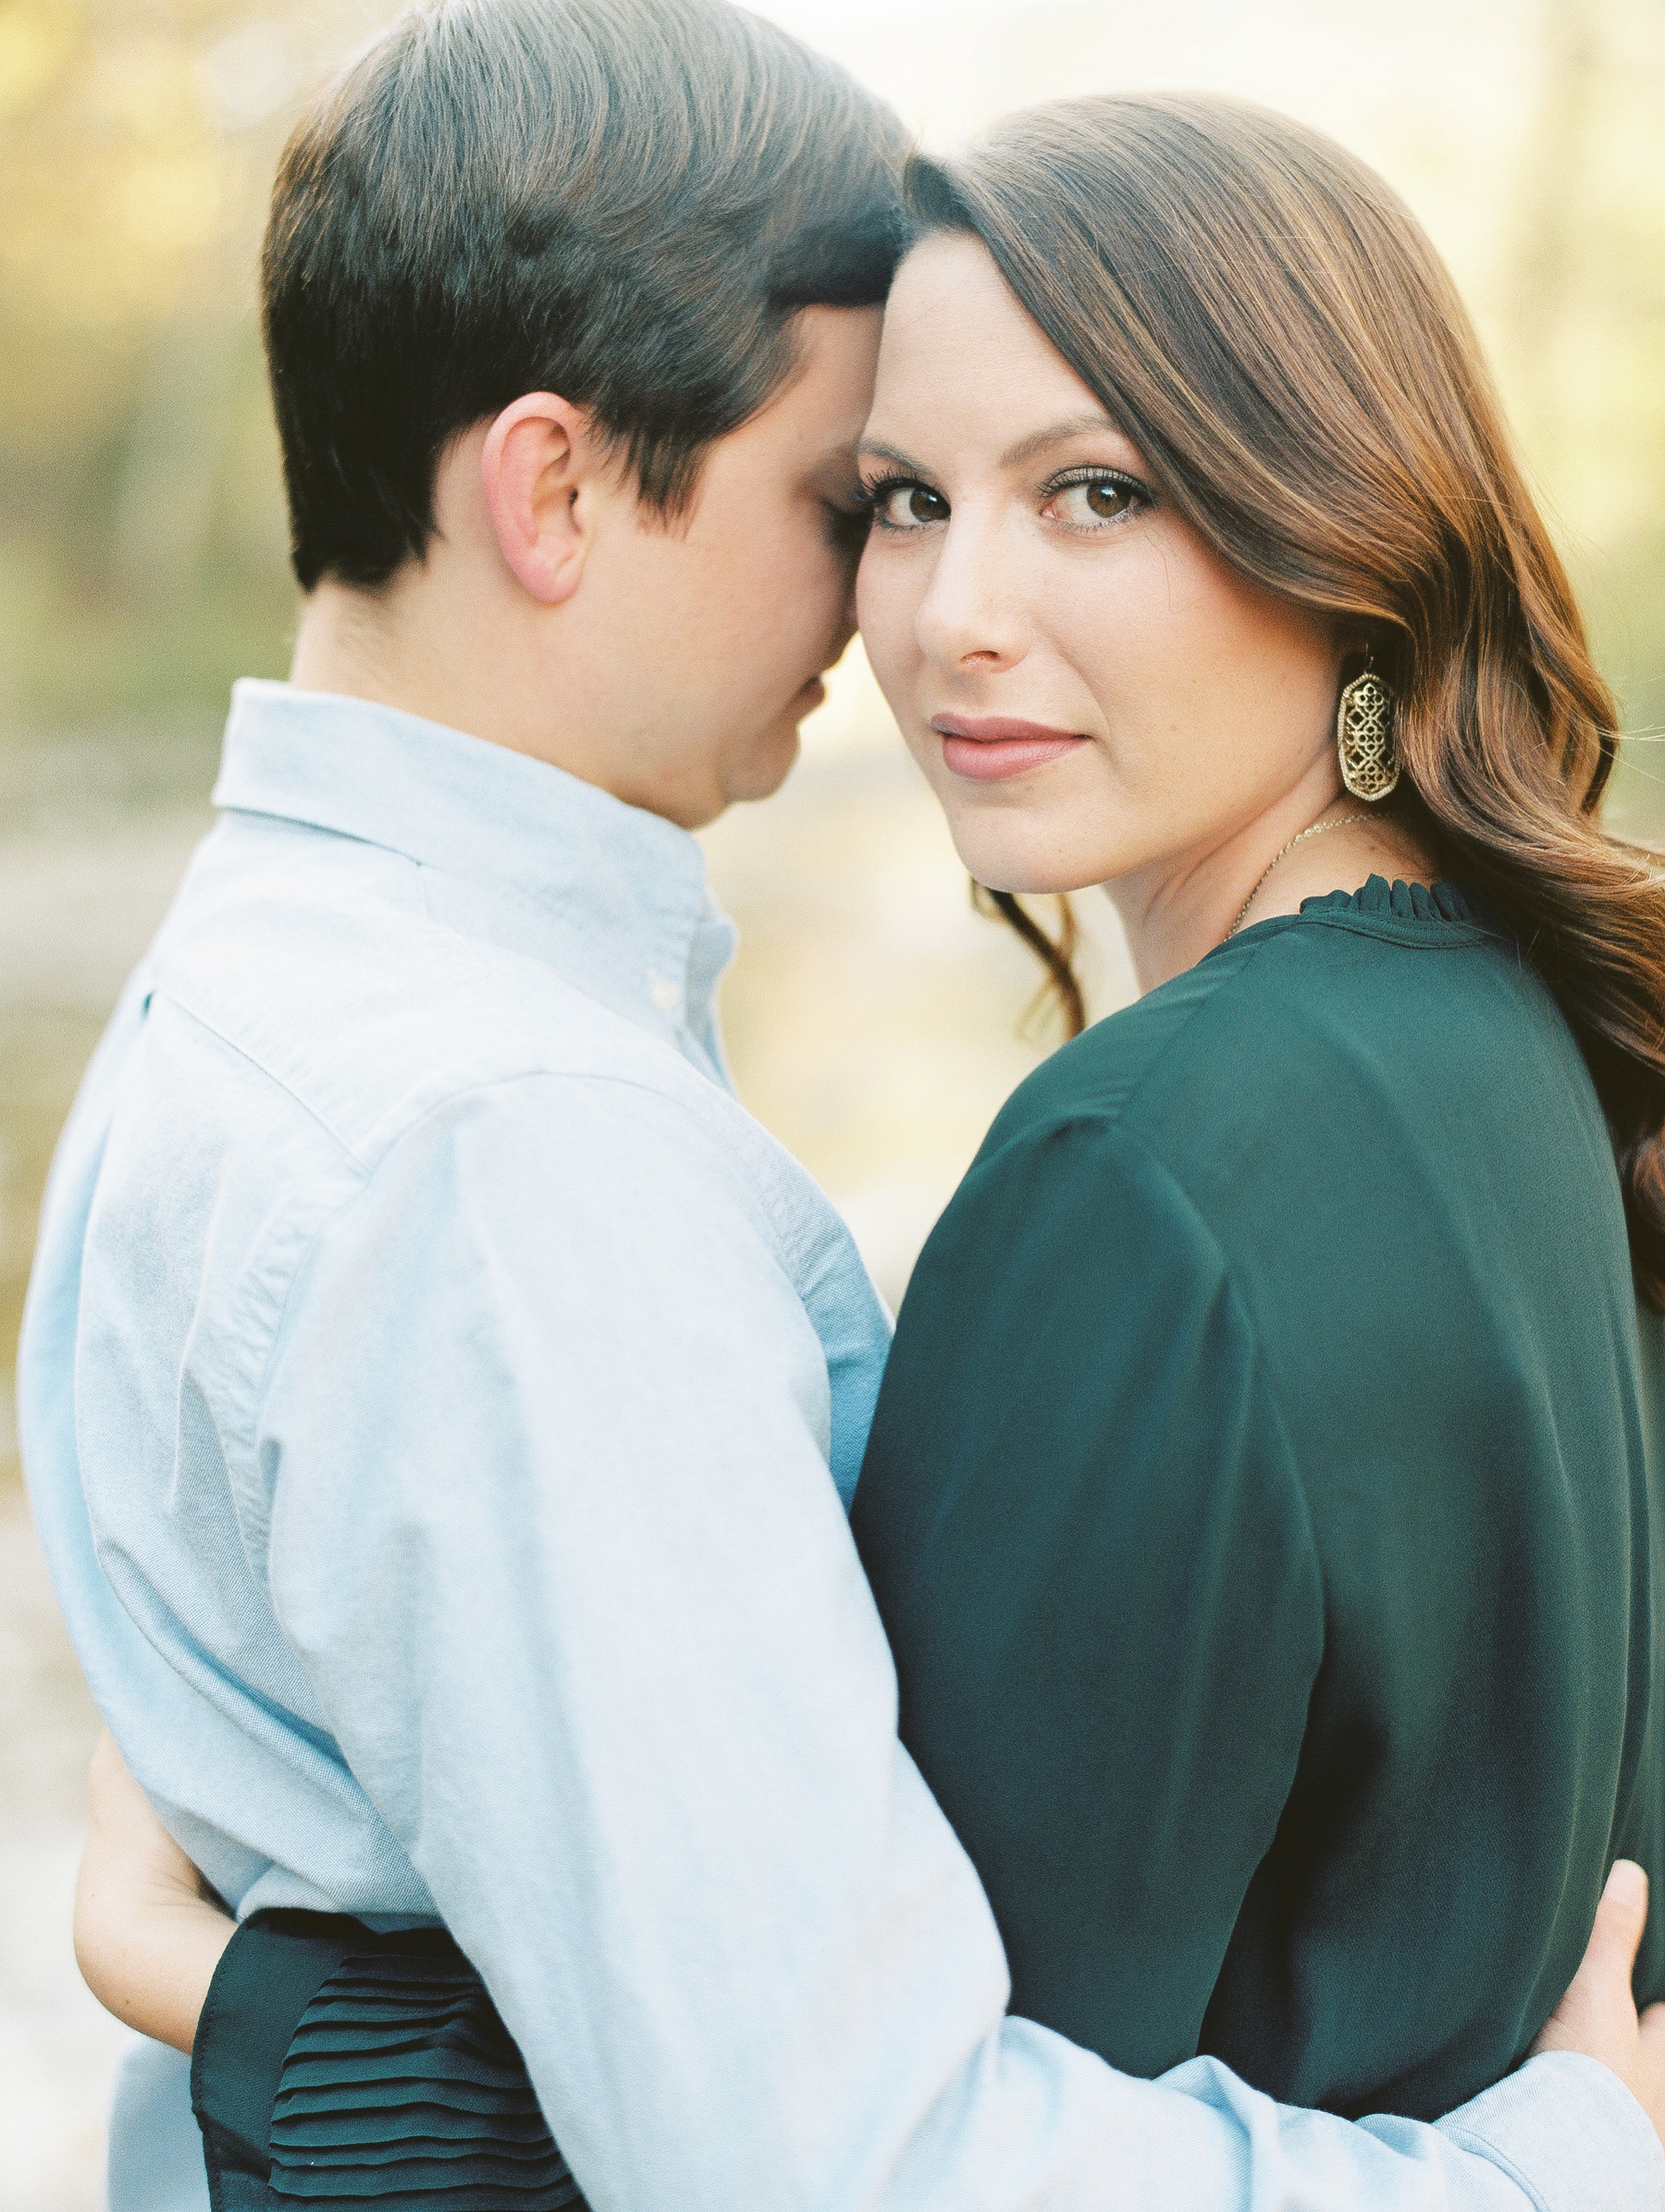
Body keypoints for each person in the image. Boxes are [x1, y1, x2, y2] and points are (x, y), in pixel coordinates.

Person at [27, 6, 1665, 2207]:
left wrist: (252, 2000)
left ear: (1328, 510)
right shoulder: (1515, 1029)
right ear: (550, 487)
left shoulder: (287, 1026)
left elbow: (822, 2134)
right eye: (880, 499)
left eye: (1092, 488)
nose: (926, 614)